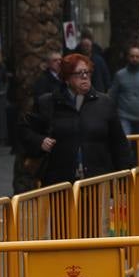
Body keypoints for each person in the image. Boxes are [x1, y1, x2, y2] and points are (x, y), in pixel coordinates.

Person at [21, 52, 130, 186]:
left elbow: (119, 144)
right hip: (60, 185)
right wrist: (40, 141)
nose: (84, 77)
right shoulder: (48, 102)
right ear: (66, 78)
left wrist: (125, 182)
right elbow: (25, 131)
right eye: (79, 73)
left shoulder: (104, 103)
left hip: (97, 182)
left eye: (87, 72)